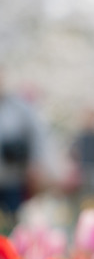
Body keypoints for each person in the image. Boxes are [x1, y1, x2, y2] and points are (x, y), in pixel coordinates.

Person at [0, 79, 51, 220]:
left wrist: (35, 163)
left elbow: (36, 136)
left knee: (13, 218)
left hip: (13, 176)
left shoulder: (18, 107)